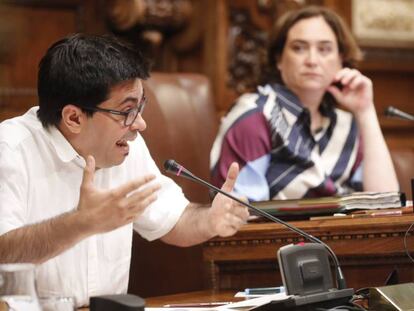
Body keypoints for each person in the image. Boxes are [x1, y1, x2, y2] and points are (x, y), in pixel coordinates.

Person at [0, 33, 249, 307]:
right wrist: (80, 223)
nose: (140, 124)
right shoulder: (10, 149)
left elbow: (174, 219)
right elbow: (3, 253)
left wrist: (211, 220)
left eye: (141, 106)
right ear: (73, 118)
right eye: (127, 111)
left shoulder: (124, 147)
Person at [210, 5, 399, 201]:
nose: (312, 60)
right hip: (279, 232)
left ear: (341, 60)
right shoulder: (254, 116)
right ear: (279, 59)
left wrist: (365, 111)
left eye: (324, 49)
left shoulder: (347, 125)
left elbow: (386, 203)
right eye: (299, 48)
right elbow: (236, 217)